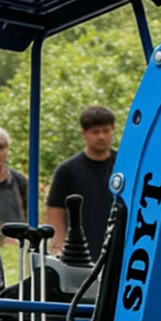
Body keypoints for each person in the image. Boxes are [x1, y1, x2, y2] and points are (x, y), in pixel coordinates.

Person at [47, 106, 117, 258]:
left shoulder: (124, 166)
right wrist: (59, 246)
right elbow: (55, 210)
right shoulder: (67, 170)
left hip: (117, 249)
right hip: (79, 250)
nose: (101, 137)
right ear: (84, 134)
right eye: (95, 132)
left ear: (113, 129)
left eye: (106, 131)